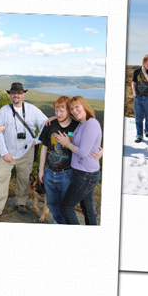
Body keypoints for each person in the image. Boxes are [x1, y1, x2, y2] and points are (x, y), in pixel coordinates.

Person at [0, 82, 48, 222]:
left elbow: (45, 124)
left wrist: (37, 140)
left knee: (24, 179)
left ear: (23, 94)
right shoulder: (4, 111)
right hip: (7, 152)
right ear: (10, 94)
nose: (16, 95)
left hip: (26, 151)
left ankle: (21, 203)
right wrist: (4, 152)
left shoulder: (31, 109)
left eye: (19, 93)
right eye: (13, 93)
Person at [55, 96, 102, 225]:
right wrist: (55, 117)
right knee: (87, 209)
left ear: (84, 105)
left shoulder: (91, 123)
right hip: (83, 173)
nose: (74, 111)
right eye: (71, 109)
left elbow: (83, 152)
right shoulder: (82, 124)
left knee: (66, 207)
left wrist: (67, 143)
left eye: (77, 106)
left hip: (86, 175)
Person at [37, 96, 81, 224]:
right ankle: (59, 221)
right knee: (51, 202)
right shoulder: (50, 125)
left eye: (62, 110)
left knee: (65, 204)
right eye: (56, 111)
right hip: (49, 171)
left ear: (69, 110)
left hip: (67, 173)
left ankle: (61, 224)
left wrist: (99, 151)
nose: (58, 114)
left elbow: (87, 145)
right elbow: (44, 148)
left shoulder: (77, 127)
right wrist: (41, 170)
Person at [132, 54, 148, 143]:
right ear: (143, 62)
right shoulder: (136, 71)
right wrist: (134, 93)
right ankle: (139, 135)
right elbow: (134, 82)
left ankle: (147, 131)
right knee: (138, 118)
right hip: (138, 97)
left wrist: (144, 72)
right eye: (147, 63)